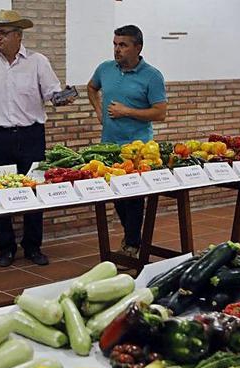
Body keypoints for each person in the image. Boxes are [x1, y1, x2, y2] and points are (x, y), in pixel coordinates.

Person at [0, 10, 68, 267]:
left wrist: (63, 97)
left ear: (18, 36)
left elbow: (53, 94)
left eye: (3, 33)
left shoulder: (38, 62)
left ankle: (33, 247)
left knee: (35, 191)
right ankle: (6, 248)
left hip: (31, 135)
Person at [87, 25, 167, 260]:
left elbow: (159, 113)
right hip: (109, 146)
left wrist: (126, 111)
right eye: (115, 44)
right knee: (117, 196)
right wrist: (99, 111)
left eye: (123, 45)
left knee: (133, 198)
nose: (117, 49)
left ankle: (132, 243)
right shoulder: (105, 69)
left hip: (138, 149)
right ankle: (132, 238)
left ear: (138, 47)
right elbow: (92, 88)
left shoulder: (152, 76)